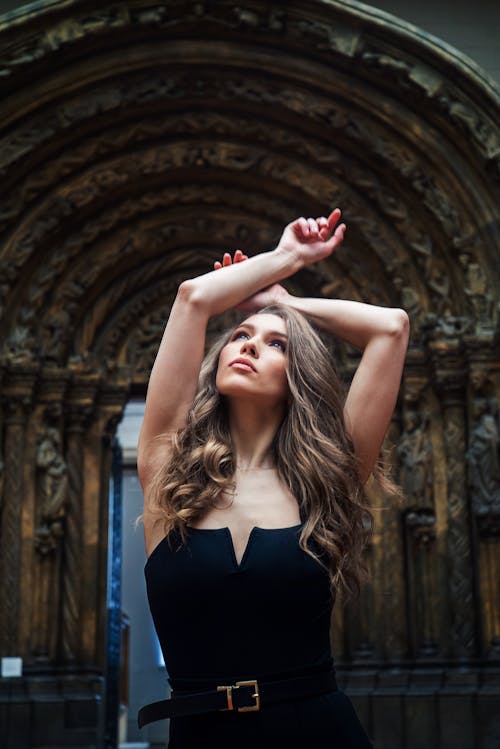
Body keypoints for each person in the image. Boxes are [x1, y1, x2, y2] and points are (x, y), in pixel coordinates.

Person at [137, 208, 410, 748]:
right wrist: (283, 259)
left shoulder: (327, 478)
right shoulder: (167, 471)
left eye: (276, 344)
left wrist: (282, 301)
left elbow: (390, 327)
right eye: (240, 333)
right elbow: (193, 298)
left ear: (298, 377)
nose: (250, 344)